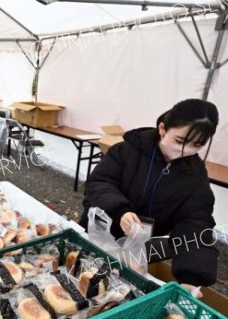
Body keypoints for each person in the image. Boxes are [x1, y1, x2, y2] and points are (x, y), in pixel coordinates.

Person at [80, 99, 219, 287]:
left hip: (140, 248)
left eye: (196, 145)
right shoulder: (126, 151)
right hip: (98, 233)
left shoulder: (195, 175)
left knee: (118, 287)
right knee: (82, 276)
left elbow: (196, 222)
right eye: (179, 140)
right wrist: (119, 212)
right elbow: (99, 182)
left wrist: (191, 278)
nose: (183, 150)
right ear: (162, 128)